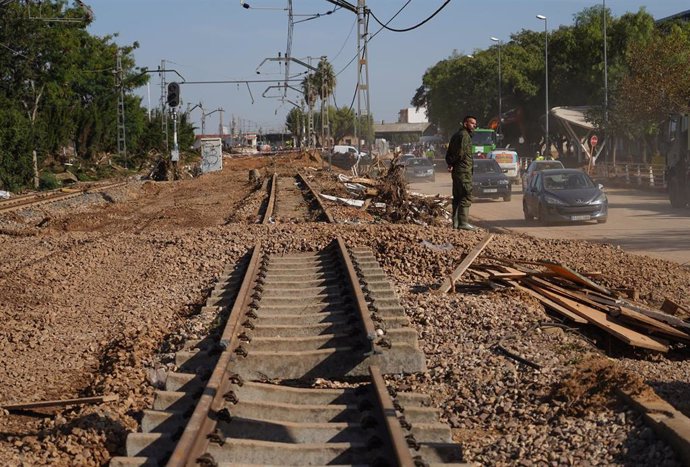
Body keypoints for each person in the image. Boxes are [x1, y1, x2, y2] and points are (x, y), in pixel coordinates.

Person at [445, 115, 478, 230]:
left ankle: (455, 224)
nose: (474, 126)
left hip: (457, 171)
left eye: (475, 124)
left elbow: (449, 153)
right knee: (466, 195)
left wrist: (450, 163)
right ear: (465, 124)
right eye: (472, 123)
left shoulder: (455, 136)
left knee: (457, 197)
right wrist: (453, 163)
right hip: (464, 171)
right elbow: (460, 153)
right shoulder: (465, 136)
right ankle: (463, 223)